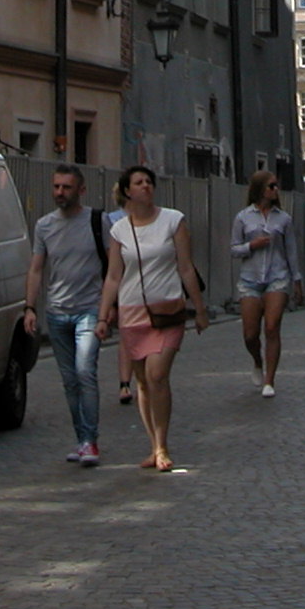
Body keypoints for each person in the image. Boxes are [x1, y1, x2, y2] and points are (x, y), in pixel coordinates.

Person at [96, 165, 207, 470]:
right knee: (143, 382)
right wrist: (103, 316)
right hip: (132, 313)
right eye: (139, 182)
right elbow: (114, 277)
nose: (146, 186)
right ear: (128, 191)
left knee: (158, 374)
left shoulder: (174, 221)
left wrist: (198, 308)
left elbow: (186, 267)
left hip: (168, 309)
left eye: (149, 182)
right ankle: (154, 445)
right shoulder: (119, 230)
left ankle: (163, 445)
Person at [22, 165, 108, 463]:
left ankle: (91, 441)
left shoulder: (99, 221)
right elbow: (36, 268)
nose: (60, 192)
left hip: (90, 308)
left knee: (85, 371)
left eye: (66, 187)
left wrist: (109, 311)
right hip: (57, 312)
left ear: (81, 190)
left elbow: (114, 269)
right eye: (56, 186)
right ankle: (81, 438)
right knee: (70, 379)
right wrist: (29, 307)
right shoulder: (44, 226)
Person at [230, 170, 302, 395]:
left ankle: (269, 380)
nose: (275, 190)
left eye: (276, 186)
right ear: (260, 189)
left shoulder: (283, 218)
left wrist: (297, 279)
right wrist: (252, 245)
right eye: (271, 186)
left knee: (272, 327)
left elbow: (291, 251)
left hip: (277, 277)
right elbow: (233, 249)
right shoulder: (243, 217)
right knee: (250, 334)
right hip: (250, 280)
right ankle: (257, 361)